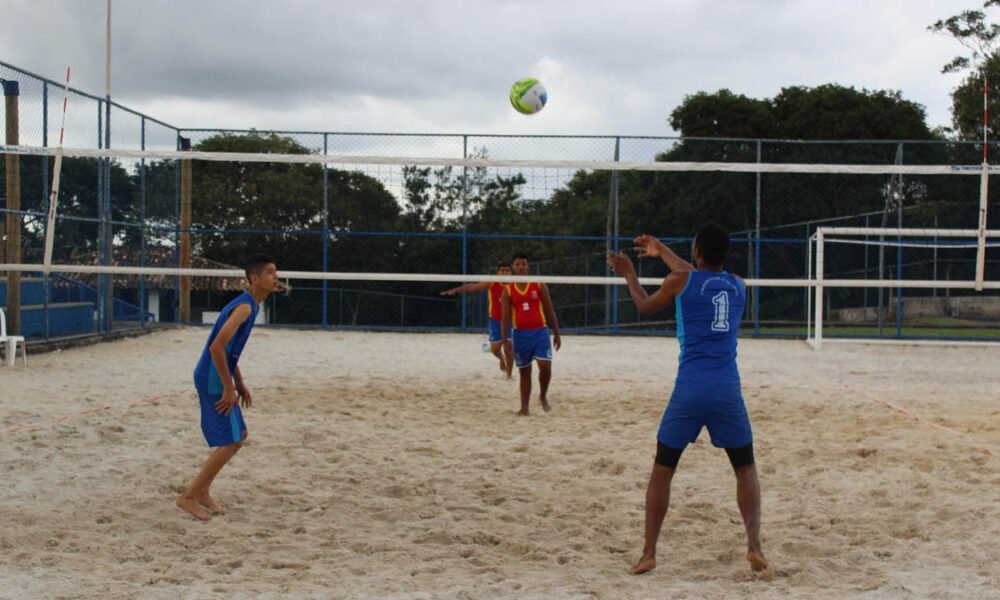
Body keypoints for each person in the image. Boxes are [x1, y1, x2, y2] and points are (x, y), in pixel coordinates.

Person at [606, 224, 767, 574]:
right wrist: (661, 249)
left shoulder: (680, 282)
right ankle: (754, 545)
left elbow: (645, 306)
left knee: (663, 470)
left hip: (690, 390)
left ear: (696, 253)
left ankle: (649, 552)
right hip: (727, 391)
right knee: (745, 468)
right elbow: (697, 276)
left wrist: (630, 273)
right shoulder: (738, 285)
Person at [176, 254, 281, 521]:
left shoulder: (251, 306)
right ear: (254, 279)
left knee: (237, 436)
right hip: (212, 379)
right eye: (270, 273)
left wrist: (240, 382)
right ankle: (188, 497)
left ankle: (201, 492)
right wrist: (227, 387)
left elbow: (230, 350)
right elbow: (217, 346)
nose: (276, 277)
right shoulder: (245, 308)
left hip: (215, 375)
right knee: (233, 439)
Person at [501, 253, 561, 415]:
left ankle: (542, 396)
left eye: (524, 264)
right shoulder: (508, 290)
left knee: (545, 366)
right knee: (524, 372)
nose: (521, 267)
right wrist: (505, 339)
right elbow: (505, 317)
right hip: (520, 335)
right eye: (518, 265)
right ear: (513, 267)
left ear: (528, 267)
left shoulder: (538, 284)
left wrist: (556, 332)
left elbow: (549, 309)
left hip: (540, 332)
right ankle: (524, 408)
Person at [440, 263, 515, 378]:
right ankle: (501, 358)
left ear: (511, 273)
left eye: (507, 270)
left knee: (508, 348)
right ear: (497, 273)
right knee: (495, 349)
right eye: (502, 270)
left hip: (510, 322)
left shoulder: (515, 285)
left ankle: (509, 375)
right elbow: (472, 287)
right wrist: (455, 290)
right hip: (495, 321)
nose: (504, 273)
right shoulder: (492, 283)